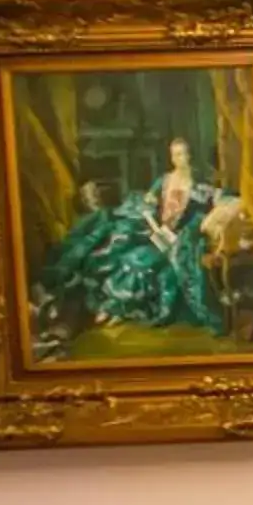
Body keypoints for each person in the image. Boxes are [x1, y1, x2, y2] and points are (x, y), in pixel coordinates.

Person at [31, 138, 236, 356]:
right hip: (152, 231)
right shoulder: (164, 181)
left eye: (185, 154)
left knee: (143, 264)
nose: (181, 159)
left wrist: (213, 215)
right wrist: (152, 223)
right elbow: (148, 207)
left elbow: (224, 202)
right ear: (171, 157)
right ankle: (92, 310)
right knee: (114, 250)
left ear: (192, 156)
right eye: (176, 155)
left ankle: (114, 309)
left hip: (176, 239)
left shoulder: (202, 186)